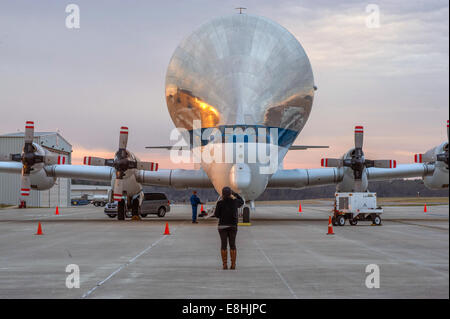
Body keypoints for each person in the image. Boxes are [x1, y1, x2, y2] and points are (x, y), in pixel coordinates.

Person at [214, 186, 244, 270]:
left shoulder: (219, 203)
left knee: (223, 245)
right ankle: (233, 264)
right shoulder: (235, 202)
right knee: (232, 244)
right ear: (230, 193)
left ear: (222, 194)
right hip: (233, 226)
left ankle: (224, 264)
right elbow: (242, 202)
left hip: (222, 226)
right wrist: (235, 194)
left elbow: (216, 215)